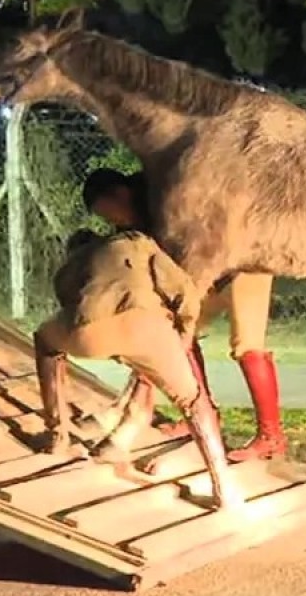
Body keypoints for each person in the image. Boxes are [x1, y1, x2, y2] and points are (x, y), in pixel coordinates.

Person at [33, 209, 239, 511]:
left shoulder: (67, 269)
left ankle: (57, 436)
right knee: (194, 402)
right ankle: (223, 489)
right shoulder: (137, 243)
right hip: (147, 327)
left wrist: (114, 348)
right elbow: (183, 290)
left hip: (90, 333)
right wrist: (184, 331)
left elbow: (73, 308)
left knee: (44, 340)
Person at [80, 169, 288, 462]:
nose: (113, 221)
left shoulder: (165, 195)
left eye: (109, 213)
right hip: (206, 277)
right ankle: (202, 416)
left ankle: (271, 437)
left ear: (120, 193)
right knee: (178, 338)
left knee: (247, 347)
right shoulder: (136, 221)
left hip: (243, 262)